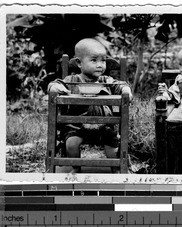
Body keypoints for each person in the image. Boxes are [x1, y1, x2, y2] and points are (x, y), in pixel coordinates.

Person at [48, 38, 132, 173]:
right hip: (76, 127)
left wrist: (125, 90)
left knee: (112, 145)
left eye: (103, 60)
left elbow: (121, 85)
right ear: (79, 63)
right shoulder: (72, 80)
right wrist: (56, 89)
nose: (100, 65)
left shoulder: (107, 81)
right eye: (94, 60)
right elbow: (55, 84)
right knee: (71, 143)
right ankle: (76, 167)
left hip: (104, 126)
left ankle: (115, 168)